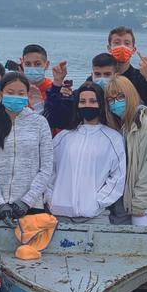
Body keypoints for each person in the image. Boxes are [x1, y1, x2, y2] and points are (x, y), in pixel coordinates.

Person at [0, 72, 55, 229]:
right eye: (10, 93)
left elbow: (46, 168)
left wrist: (27, 201)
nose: (15, 97)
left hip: (31, 207)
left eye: (21, 93)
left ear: (27, 95)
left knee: (29, 252)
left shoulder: (39, 123)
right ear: (1, 93)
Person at [48, 83, 127, 225]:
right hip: (59, 215)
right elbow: (49, 170)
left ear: (101, 104)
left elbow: (118, 176)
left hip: (95, 217)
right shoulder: (63, 137)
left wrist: (97, 203)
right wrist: (51, 199)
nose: (87, 105)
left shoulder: (113, 138)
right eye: (82, 101)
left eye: (93, 101)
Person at [105, 77, 147, 227]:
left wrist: (140, 203)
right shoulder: (122, 127)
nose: (115, 103)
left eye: (120, 97)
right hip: (123, 203)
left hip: (144, 206)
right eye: (111, 99)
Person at [107, 26, 147, 111]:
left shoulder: (140, 77)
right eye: (117, 43)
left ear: (133, 50)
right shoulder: (102, 77)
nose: (122, 47)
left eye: (127, 43)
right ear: (109, 48)